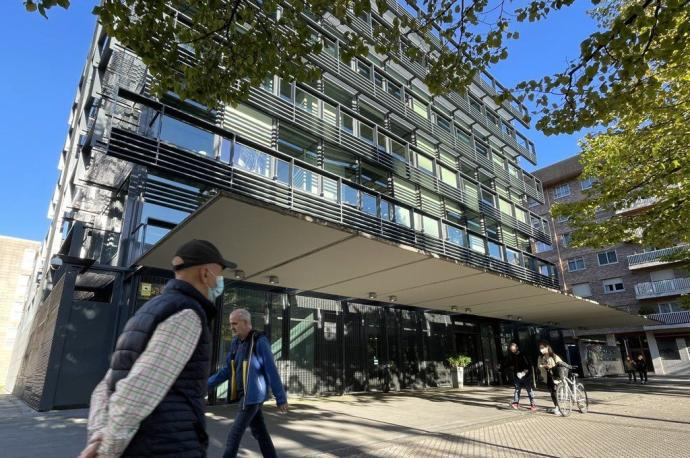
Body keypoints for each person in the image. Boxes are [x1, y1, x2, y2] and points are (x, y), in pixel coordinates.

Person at [79, 239, 236, 458]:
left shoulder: (149, 310)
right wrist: (106, 451)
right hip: (166, 443)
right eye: (219, 274)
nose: (220, 282)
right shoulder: (187, 314)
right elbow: (139, 389)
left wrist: (99, 434)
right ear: (205, 274)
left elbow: (108, 384)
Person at [209, 308, 288, 458]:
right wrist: (206, 385)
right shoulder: (236, 342)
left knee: (234, 435)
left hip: (252, 397)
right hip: (245, 395)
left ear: (246, 322)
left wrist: (281, 397)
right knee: (260, 432)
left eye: (235, 323)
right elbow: (227, 370)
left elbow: (271, 369)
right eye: (230, 323)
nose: (231, 327)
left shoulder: (259, 341)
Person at [501, 341, 537, 411]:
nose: (513, 351)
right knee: (517, 389)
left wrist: (524, 372)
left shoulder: (523, 355)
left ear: (517, 348)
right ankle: (515, 403)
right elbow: (510, 363)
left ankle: (533, 404)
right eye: (511, 350)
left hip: (526, 375)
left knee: (529, 389)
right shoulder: (513, 356)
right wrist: (502, 367)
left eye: (513, 349)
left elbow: (528, 365)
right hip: (517, 375)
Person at [537, 340, 567, 416]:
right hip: (547, 377)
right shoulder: (540, 357)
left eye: (542, 348)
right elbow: (539, 366)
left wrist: (550, 366)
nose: (541, 350)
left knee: (556, 392)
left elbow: (560, 365)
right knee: (552, 392)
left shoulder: (554, 356)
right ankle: (557, 407)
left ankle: (559, 407)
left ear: (547, 347)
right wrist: (542, 366)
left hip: (555, 376)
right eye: (540, 348)